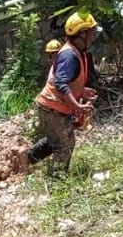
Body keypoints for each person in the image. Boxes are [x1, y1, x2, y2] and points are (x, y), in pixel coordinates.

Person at [26, 12, 101, 175]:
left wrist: (81, 91)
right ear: (82, 33)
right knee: (64, 146)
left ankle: (26, 160)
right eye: (91, 32)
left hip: (53, 108)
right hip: (51, 109)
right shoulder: (70, 56)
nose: (93, 37)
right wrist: (77, 105)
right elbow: (60, 83)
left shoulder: (76, 52)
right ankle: (57, 181)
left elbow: (67, 81)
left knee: (59, 140)